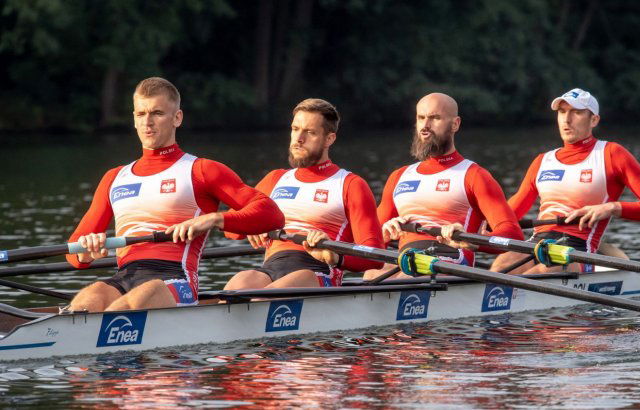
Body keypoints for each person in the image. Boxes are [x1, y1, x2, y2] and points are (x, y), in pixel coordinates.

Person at [66, 77, 285, 312]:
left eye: (157, 113)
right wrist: (85, 253)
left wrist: (215, 219)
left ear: (177, 118)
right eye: (141, 114)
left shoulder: (202, 170)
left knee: (127, 305)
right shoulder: (114, 177)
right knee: (87, 299)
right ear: (134, 119)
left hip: (174, 279)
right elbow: (73, 250)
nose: (148, 122)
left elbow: (272, 215)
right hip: (124, 275)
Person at [490, 88, 640, 274]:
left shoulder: (612, 154)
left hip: (578, 248)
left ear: (594, 120)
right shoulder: (542, 161)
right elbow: (508, 216)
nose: (567, 119)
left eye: (576, 112)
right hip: (538, 242)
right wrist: (483, 226)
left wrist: (612, 208)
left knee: (540, 274)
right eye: (562, 112)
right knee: (501, 265)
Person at [223, 98, 384, 289]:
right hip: (271, 267)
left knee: (265, 297)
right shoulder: (275, 179)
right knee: (240, 282)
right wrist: (251, 225)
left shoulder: (351, 185)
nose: (299, 139)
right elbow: (230, 231)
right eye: (295, 129)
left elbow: (374, 257)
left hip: (317, 271)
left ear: (329, 139)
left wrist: (334, 255)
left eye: (310, 132)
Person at [366, 93, 523, 280]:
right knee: (371, 273)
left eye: (435, 118)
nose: (425, 126)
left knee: (398, 280)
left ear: (455, 124)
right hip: (408, 258)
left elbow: (512, 234)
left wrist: (472, 242)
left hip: (452, 257)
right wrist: (382, 233)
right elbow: (369, 238)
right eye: (421, 118)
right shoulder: (399, 176)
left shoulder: (474, 176)